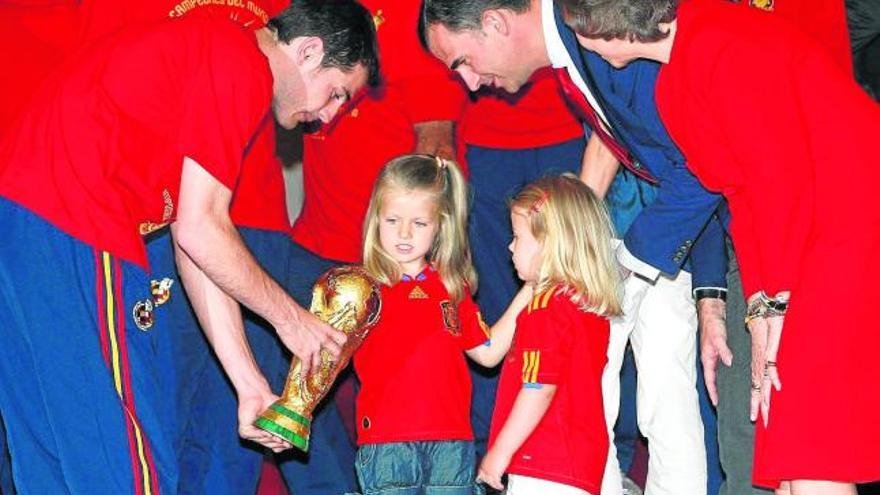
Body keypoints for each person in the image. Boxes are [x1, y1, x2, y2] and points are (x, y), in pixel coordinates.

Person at [0, 2, 379, 492]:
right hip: (75, 218)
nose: (325, 116)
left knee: (50, 447)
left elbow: (196, 247)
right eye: (335, 94)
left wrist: (248, 384)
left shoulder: (207, 50)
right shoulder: (242, 61)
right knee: (127, 449)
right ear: (308, 51)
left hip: (22, 221)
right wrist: (292, 320)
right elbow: (202, 230)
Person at [562, 0, 880, 493]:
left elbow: (780, 182)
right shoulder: (673, 82)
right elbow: (740, 197)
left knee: (812, 435)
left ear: (604, 27)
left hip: (849, 215)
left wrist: (776, 299)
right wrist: (758, 306)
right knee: (783, 418)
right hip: (806, 229)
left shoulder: (719, 41)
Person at [420, 1, 727, 493]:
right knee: (604, 384)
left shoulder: (596, 27)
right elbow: (613, 138)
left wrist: (631, 264)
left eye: (463, 62)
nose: (471, 84)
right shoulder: (571, 52)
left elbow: (698, 156)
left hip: (670, 232)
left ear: (496, 23)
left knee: (664, 389)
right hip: (626, 235)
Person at [354, 154, 530, 494]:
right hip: (385, 444)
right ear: (376, 219)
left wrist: (532, 288)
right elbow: (325, 358)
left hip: (452, 442)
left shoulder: (451, 285)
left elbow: (488, 353)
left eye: (419, 223)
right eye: (392, 220)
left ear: (440, 225)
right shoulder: (359, 288)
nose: (404, 233)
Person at [478, 174, 619, 495]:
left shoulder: (544, 308)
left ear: (550, 244)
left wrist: (500, 452)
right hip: (581, 464)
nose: (510, 246)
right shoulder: (587, 305)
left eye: (518, 237)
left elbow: (538, 387)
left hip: (542, 459)